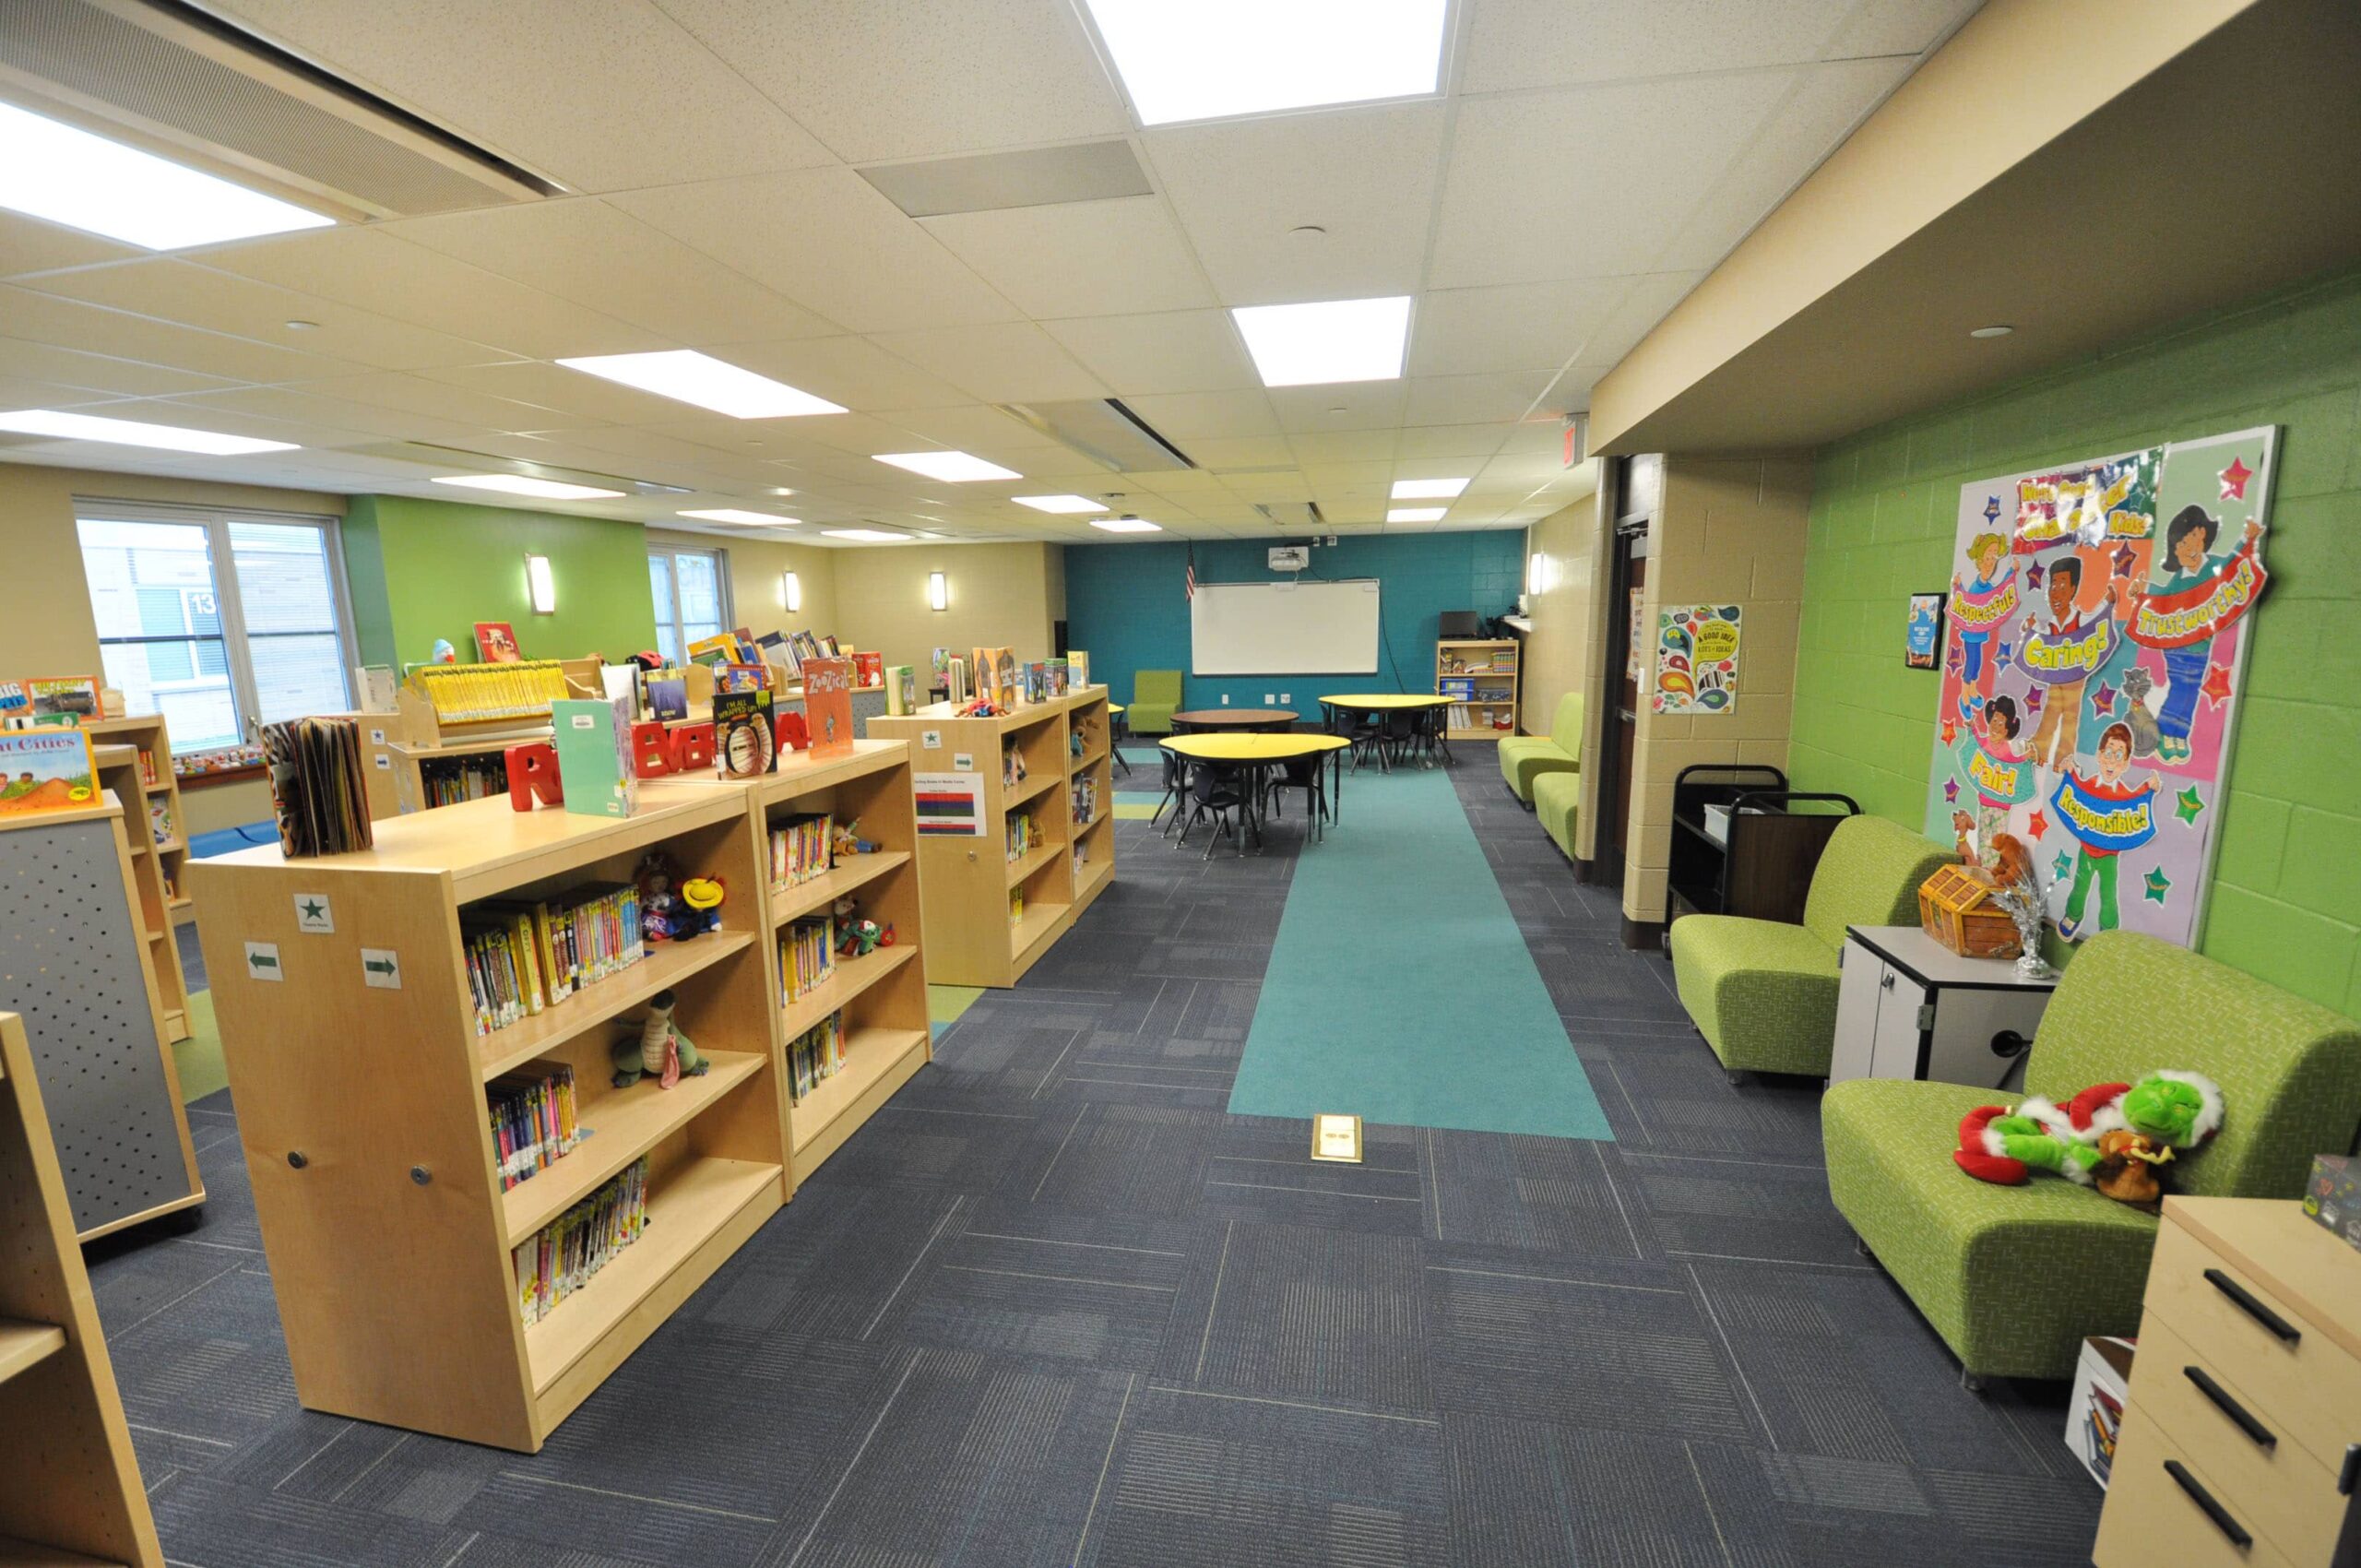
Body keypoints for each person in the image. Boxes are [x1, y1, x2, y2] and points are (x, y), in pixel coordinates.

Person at [2142, 505, 2262, 765]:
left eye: (2193, 538)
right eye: (2181, 544)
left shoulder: (2214, 568)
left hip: (2202, 644)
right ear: (2174, 549)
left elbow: (2233, 563)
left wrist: (2247, 538)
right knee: (2180, 687)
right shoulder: (2178, 579)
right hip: (2177, 644)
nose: (2188, 547)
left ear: (2203, 535)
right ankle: (2165, 733)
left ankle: (2180, 735)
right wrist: (2140, 593)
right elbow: (2161, 598)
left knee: (2192, 691)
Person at [2058, 722, 2157, 940]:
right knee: (2080, 886)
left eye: (2119, 755)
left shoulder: (2122, 793)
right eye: (2109, 753)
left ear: (2126, 763)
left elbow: (2133, 801)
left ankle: (2108, 929)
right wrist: (2071, 772)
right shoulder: (2092, 783)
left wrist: (2148, 788)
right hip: (2087, 849)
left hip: (2109, 856)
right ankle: (2073, 916)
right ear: (2100, 754)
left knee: (2108, 894)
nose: (2112, 761)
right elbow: (2077, 788)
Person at [2021, 555, 2116, 775]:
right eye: (2053, 585)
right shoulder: (2053, 624)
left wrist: (2107, 602)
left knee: (2070, 717)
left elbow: (2094, 620)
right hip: (2057, 675)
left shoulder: (2079, 619)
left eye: (2063, 585)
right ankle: (2039, 750)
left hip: (2074, 677)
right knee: (2051, 711)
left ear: (2073, 589)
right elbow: (2041, 638)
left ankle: (2064, 758)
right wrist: (2031, 627)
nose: (2056, 592)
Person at [1952, 530, 2015, 695]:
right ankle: (1964, 696)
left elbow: (2000, 591)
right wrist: (1958, 586)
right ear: (1979, 562)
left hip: (1979, 634)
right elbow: (1965, 599)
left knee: (1977, 663)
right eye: (1987, 559)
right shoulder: (1976, 586)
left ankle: (1972, 691)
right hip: (1970, 633)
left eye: (1994, 559)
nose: (1990, 564)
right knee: (1971, 663)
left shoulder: (1988, 587)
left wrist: (2011, 573)